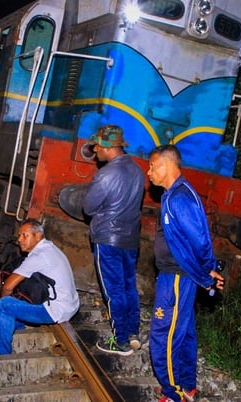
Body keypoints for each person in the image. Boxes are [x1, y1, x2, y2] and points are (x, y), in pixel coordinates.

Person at [146, 144, 225, 402]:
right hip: (177, 275)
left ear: (167, 165)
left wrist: (206, 273)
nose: (149, 172)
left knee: (163, 336)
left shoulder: (179, 197)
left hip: (178, 277)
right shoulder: (173, 194)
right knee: (185, 332)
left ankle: (174, 394)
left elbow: (200, 239)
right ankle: (186, 385)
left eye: (152, 165)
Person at [82, 124, 145, 356]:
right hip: (130, 239)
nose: (95, 150)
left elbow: (88, 207)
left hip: (108, 239)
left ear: (108, 147)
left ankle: (120, 341)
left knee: (113, 291)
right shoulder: (137, 171)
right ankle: (133, 333)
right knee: (129, 287)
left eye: (98, 146)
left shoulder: (106, 174)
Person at [0, 218, 80, 355]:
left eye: (24, 235)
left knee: (4, 305)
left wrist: (1, 300)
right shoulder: (51, 248)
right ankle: (15, 324)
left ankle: (1, 355)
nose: (19, 240)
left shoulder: (39, 256)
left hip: (56, 311)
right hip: (71, 305)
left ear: (37, 236)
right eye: (19, 235)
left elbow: (8, 286)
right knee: (18, 295)